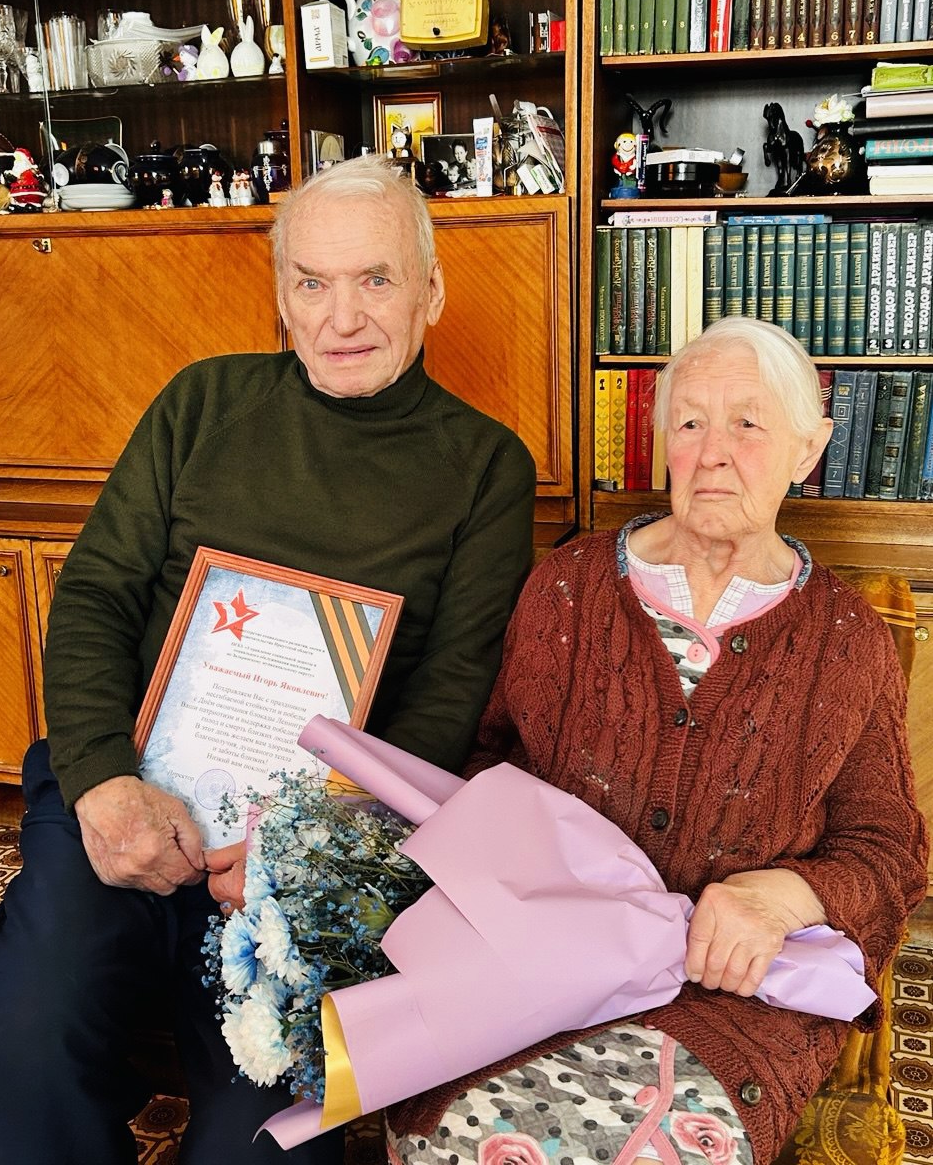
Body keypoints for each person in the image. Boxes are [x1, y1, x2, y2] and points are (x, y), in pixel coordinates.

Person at [0, 154, 536, 1165]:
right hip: (127, 793)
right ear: (281, 295)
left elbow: (449, 695)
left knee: (261, 1141)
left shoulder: (486, 465)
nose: (342, 318)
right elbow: (97, 594)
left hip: (306, 850)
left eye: (375, 280)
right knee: (24, 1038)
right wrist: (102, 781)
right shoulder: (202, 403)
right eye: (311, 283)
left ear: (430, 291)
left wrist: (309, 849)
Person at [387, 316, 929, 1165]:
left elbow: (890, 849)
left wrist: (786, 897)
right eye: (690, 422)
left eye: (748, 424)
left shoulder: (847, 641)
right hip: (539, 976)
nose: (713, 454)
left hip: (736, 1002)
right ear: (661, 441)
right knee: (454, 1137)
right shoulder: (567, 590)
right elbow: (492, 761)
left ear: (809, 448)